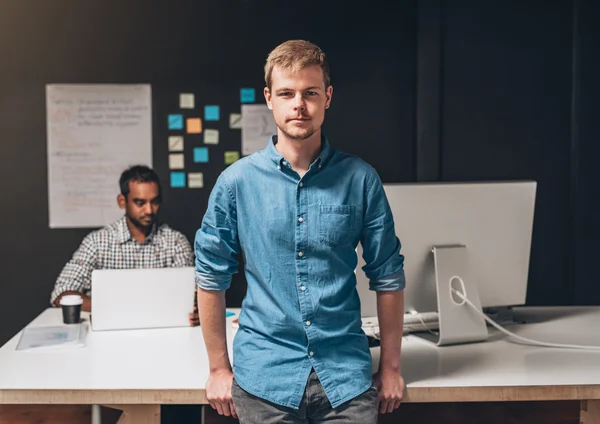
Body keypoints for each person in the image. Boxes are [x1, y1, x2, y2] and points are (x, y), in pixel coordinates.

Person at [194, 40, 406, 424]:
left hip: (345, 377)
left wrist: (391, 367)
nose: (299, 105)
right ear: (269, 99)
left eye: (310, 93)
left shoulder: (360, 179)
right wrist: (217, 369)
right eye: (287, 93)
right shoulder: (235, 182)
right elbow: (210, 276)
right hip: (265, 376)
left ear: (327, 96)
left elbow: (388, 275)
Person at [50, 165, 198, 326]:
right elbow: (61, 294)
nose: (149, 210)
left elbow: (189, 295)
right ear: (122, 201)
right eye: (140, 202)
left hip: (162, 330)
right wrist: (115, 310)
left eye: (154, 202)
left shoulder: (175, 242)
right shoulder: (97, 242)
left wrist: (196, 309)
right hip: (107, 333)